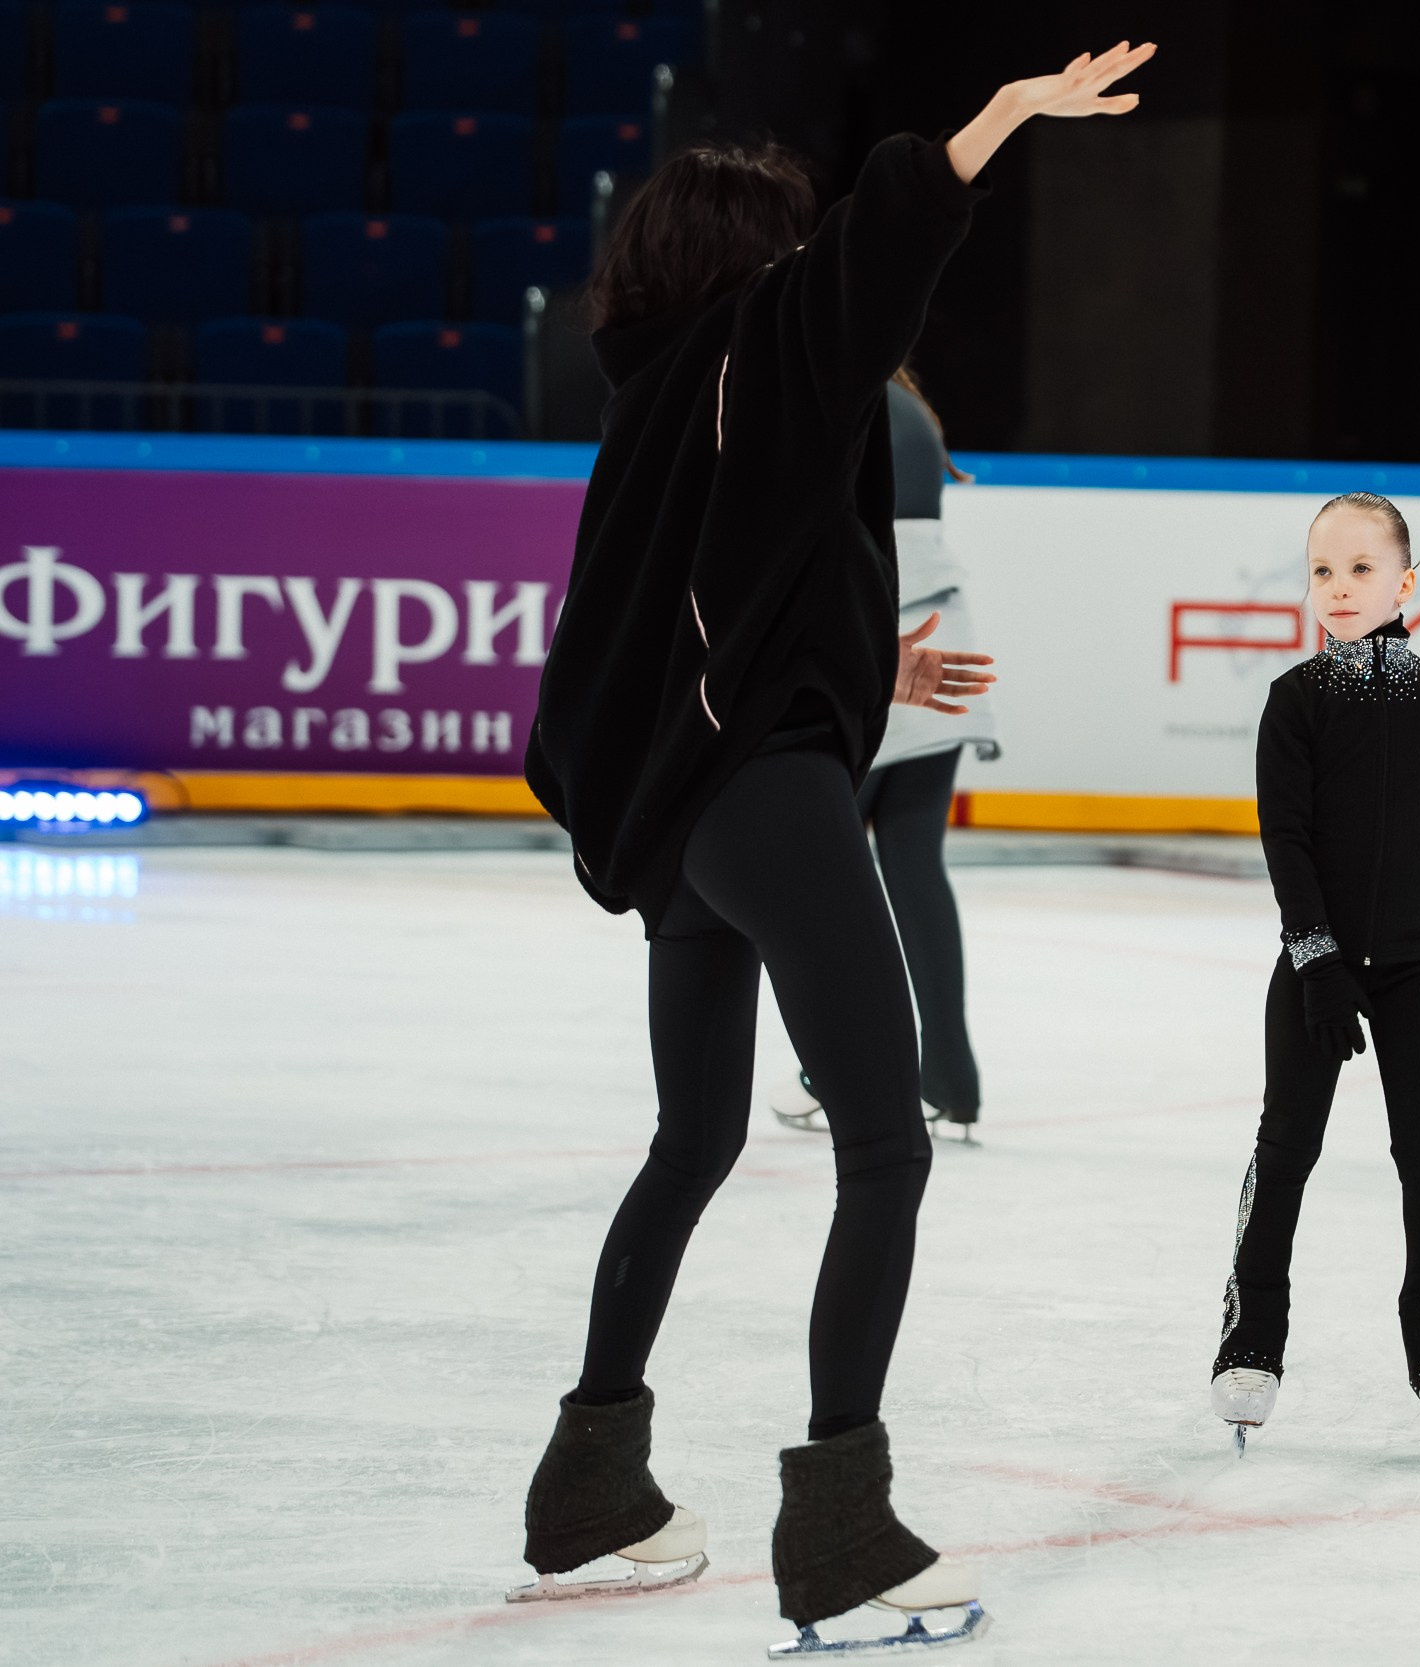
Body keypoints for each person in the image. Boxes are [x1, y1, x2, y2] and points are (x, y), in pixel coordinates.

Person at [511, 41, 1154, 1654]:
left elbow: (664, 628)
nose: (809, 266)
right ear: (752, 264)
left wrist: (863, 669)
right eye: (786, 246)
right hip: (768, 801)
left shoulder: (655, 403)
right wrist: (999, 121)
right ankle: (844, 1524)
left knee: (695, 1141)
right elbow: (875, 253)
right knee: (887, 1140)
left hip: (688, 832)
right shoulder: (763, 351)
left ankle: (593, 1482)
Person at [1208, 491, 1420, 1462]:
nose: (1338, 589)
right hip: (1316, 971)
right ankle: (1253, 1330)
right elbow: (1284, 838)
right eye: (1322, 571)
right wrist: (1317, 958)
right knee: (1285, 1145)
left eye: (1361, 569)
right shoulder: (1295, 697)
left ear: (1405, 583)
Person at [769, 370, 993, 1141]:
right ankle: (951, 1078)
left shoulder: (840, 392)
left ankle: (835, 1073)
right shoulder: (909, 407)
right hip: (942, 634)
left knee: (818, 884)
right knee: (912, 863)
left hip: (884, 641)